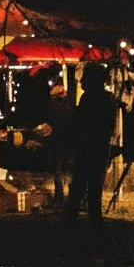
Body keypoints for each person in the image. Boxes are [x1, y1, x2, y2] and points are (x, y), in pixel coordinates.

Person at [65, 63, 118, 227]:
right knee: (94, 187)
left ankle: (72, 220)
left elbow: (79, 123)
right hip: (99, 147)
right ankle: (95, 220)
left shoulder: (89, 99)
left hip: (87, 147)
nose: (82, 82)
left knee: (79, 185)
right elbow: (110, 124)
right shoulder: (107, 99)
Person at [45, 81, 75, 208]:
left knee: (58, 170)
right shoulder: (69, 107)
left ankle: (59, 197)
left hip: (57, 142)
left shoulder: (54, 108)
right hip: (68, 142)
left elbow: (51, 123)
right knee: (68, 170)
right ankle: (70, 196)